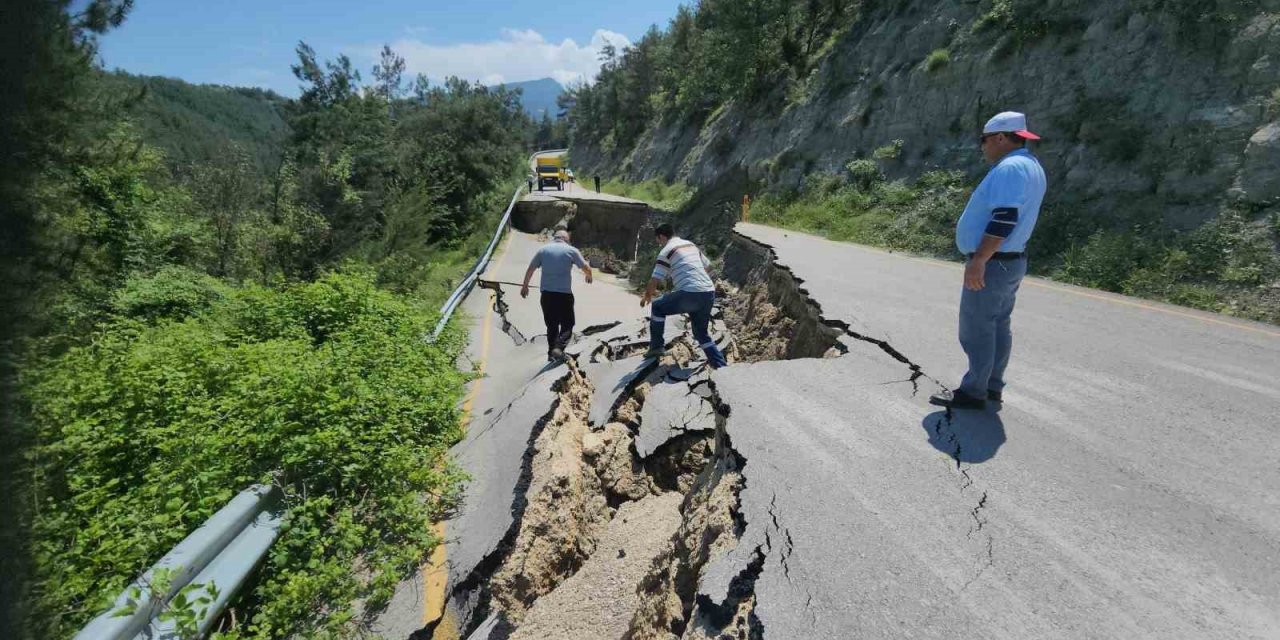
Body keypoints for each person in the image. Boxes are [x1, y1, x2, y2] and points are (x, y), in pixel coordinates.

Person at [930, 111, 1047, 410]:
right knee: (997, 326)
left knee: (977, 327)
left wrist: (979, 259)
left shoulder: (1011, 168)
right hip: (1010, 261)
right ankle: (991, 385)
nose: (981, 147)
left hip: (995, 262)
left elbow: (1004, 217)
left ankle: (973, 392)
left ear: (999, 137)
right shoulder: (1031, 165)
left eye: (983, 140)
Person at [641, 224, 728, 368]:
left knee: (657, 306)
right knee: (701, 333)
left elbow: (654, 279)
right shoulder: (690, 244)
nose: (659, 244)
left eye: (659, 241)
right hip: (708, 292)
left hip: (690, 293)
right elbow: (707, 265)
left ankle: (656, 347)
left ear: (662, 236)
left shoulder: (666, 251)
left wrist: (647, 296)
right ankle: (721, 366)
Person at [522, 229, 592, 362]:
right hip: (564, 295)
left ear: (555, 238)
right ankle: (558, 348)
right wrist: (589, 276)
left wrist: (525, 286)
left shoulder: (543, 250)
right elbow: (585, 267)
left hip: (547, 295)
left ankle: (551, 353)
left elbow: (531, 268)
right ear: (566, 239)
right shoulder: (571, 250)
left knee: (552, 325)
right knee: (568, 323)